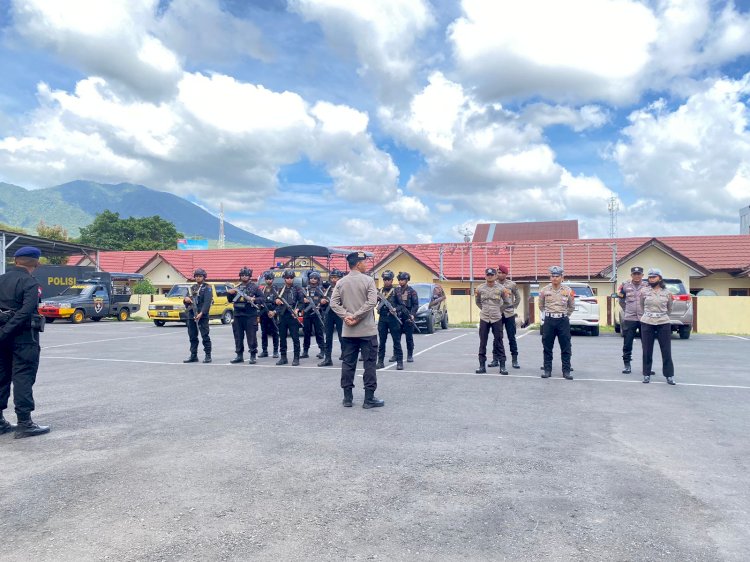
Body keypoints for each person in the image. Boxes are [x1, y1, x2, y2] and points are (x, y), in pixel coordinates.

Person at [0, 246, 50, 439]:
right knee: (23, 376)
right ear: (36, 263)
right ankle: (24, 423)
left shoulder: (1, 279)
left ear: (15, 261)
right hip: (24, 338)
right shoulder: (29, 282)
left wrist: (3, 331)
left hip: (2, 338)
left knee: (1, 376)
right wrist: (9, 328)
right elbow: (26, 310)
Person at [329, 251, 383, 408]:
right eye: (364, 262)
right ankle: (369, 399)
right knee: (369, 364)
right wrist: (357, 316)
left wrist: (347, 316)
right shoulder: (368, 281)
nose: (365, 265)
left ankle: (347, 398)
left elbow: (334, 304)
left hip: (348, 331)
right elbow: (372, 302)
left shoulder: (341, 282)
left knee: (348, 364)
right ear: (358, 264)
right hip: (367, 331)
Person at [640, 269, 676, 385]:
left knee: (666, 350)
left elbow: (670, 308)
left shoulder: (667, 293)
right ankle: (646, 374)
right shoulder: (644, 292)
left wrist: (661, 315)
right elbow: (641, 306)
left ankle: (669, 375)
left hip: (663, 322)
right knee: (647, 350)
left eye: (654, 277)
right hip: (647, 322)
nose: (651, 279)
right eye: (650, 277)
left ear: (659, 278)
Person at [539, 266, 575, 380]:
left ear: (562, 277)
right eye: (552, 276)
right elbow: (541, 305)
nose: (554, 278)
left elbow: (571, 306)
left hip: (562, 320)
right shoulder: (544, 290)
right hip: (549, 320)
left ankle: (566, 371)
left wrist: (564, 315)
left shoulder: (568, 290)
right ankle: (547, 370)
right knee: (547, 346)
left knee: (566, 346)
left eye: (557, 276)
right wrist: (549, 314)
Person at [474, 268, 511, 374]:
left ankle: (502, 366)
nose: (490, 276)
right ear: (485, 276)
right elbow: (477, 302)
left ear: (495, 276)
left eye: (492, 275)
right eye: (488, 274)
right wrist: (484, 309)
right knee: (483, 342)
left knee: (499, 342)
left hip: (497, 318)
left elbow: (506, 302)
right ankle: (482, 366)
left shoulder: (502, 288)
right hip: (484, 317)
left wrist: (499, 311)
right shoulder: (480, 288)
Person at [227, 267, 264, 365]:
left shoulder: (254, 287)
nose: (244, 277)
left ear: (249, 276)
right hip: (238, 314)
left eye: (246, 275)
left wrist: (253, 299)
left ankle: (252, 355)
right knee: (238, 336)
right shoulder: (237, 287)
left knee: (251, 336)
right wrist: (230, 294)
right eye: (242, 275)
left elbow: (262, 298)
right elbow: (230, 300)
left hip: (250, 315)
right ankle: (239, 355)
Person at [617, 266, 649, 374]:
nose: (637, 276)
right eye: (634, 274)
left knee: (646, 343)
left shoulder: (647, 286)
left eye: (639, 274)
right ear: (631, 275)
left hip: (644, 318)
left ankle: (647, 366)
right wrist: (627, 310)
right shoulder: (625, 286)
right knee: (627, 342)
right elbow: (621, 300)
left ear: (642, 275)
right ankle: (627, 365)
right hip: (630, 318)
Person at [274, 270, 305, 366]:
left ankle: (296, 358)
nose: (289, 279)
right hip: (283, 315)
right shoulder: (280, 289)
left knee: (295, 337)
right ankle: (283, 357)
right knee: (282, 337)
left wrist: (297, 310)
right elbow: (275, 300)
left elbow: (301, 302)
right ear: (284, 278)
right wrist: (276, 301)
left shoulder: (297, 289)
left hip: (292, 315)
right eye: (287, 277)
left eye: (291, 278)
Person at [183, 268, 213, 364]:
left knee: (205, 335)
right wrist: (186, 299)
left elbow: (207, 302)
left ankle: (208, 355)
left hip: (202, 315)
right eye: (196, 276)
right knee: (192, 336)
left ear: (204, 277)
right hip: (191, 314)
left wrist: (202, 313)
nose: (198, 278)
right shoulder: (192, 288)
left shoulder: (207, 287)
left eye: (200, 276)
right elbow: (186, 299)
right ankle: (193, 355)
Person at [495, 264, 522, 369]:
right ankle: (495, 359)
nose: (500, 274)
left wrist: (513, 306)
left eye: (502, 273)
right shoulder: (494, 284)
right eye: (499, 272)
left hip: (509, 314)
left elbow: (518, 298)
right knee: (497, 337)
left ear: (506, 274)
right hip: (497, 314)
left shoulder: (512, 284)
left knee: (511, 337)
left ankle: (514, 360)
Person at [376, 270, 404, 370]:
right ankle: (380, 362)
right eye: (385, 279)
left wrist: (395, 309)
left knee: (396, 341)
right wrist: (377, 299)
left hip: (393, 319)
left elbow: (402, 305)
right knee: (382, 341)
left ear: (392, 280)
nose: (386, 281)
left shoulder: (397, 291)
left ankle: (400, 362)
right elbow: (374, 303)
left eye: (388, 279)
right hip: (382, 318)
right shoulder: (380, 291)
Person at [318, 269, 344, 367]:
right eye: (332, 277)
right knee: (328, 337)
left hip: (340, 314)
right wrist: (323, 302)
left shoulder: (344, 288)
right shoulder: (328, 288)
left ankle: (346, 356)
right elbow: (322, 300)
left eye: (336, 277)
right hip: (329, 314)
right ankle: (328, 358)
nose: (334, 280)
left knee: (342, 336)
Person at [301, 271, 326, 360]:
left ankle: (322, 350)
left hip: (317, 313)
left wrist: (320, 303)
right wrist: (303, 300)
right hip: (307, 313)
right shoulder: (305, 289)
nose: (313, 280)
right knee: (306, 332)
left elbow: (325, 300)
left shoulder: (321, 289)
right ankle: (305, 351)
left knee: (319, 332)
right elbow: (299, 300)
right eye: (311, 278)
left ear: (318, 279)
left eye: (315, 278)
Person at [395, 271, 419, 363]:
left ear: (407, 280)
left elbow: (415, 304)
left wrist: (412, 314)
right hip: (398, 316)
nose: (401, 281)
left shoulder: (412, 291)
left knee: (409, 338)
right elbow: (394, 302)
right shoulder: (396, 291)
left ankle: (410, 355)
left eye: (403, 280)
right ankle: (396, 354)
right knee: (396, 337)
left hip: (408, 317)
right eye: (399, 280)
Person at [259, 272, 280, 359]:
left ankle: (275, 351)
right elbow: (260, 301)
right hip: (263, 314)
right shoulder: (262, 289)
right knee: (264, 333)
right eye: (267, 279)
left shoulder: (276, 289)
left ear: (273, 279)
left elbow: (280, 303)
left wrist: (274, 312)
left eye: (270, 279)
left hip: (273, 314)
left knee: (275, 333)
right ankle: (264, 351)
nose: (268, 280)